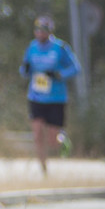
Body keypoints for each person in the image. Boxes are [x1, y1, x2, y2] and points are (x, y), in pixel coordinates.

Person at [20, 15, 80, 174]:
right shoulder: (31, 47)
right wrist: (25, 70)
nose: (39, 34)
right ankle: (44, 170)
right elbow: (24, 69)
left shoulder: (60, 48)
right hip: (36, 97)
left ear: (49, 32)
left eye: (43, 31)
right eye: (37, 30)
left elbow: (75, 68)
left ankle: (63, 141)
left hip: (56, 98)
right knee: (38, 133)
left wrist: (59, 75)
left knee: (53, 141)